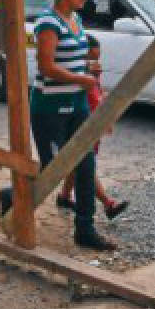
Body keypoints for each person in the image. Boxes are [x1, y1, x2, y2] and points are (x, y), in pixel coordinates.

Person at [27, 0, 113, 250]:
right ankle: (11, 197)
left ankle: (85, 229)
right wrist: (81, 78)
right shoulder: (47, 23)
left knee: (86, 167)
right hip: (49, 109)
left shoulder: (75, 19)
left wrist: (89, 67)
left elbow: (72, 59)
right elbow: (46, 66)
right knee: (54, 172)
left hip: (78, 106)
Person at [55, 35, 128, 219]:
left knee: (76, 164)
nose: (95, 62)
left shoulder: (92, 73)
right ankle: (108, 203)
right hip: (79, 125)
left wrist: (105, 119)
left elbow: (97, 94)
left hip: (92, 125)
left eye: (97, 57)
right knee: (84, 166)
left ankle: (64, 196)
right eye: (90, 57)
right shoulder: (73, 72)